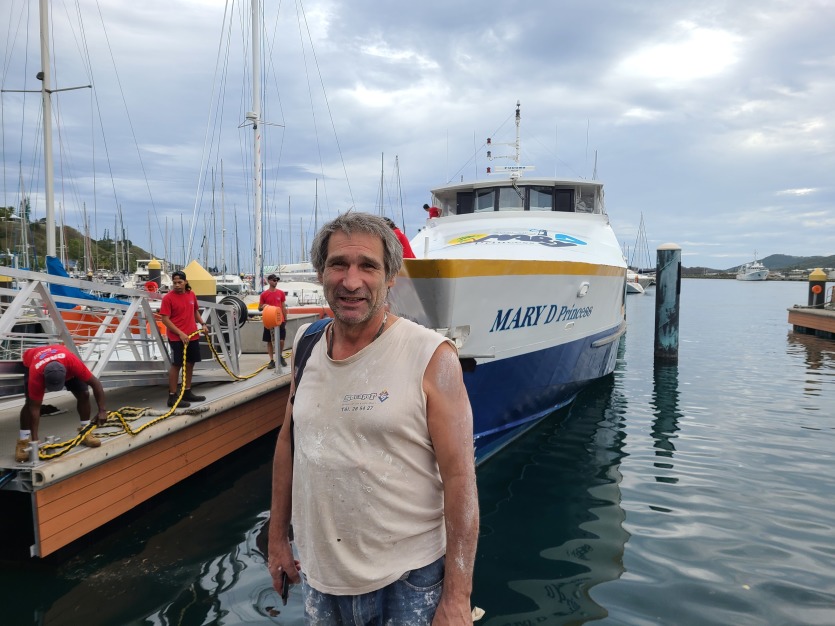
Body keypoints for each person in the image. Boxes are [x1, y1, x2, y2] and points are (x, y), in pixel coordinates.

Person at [268, 212, 478, 624]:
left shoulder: (431, 355)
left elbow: (460, 478)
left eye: (368, 266)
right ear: (321, 273)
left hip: (408, 581)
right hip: (321, 578)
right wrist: (277, 538)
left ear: (391, 276)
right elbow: (288, 442)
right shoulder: (307, 343)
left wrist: (457, 596)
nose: (351, 282)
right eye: (338, 264)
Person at [16, 344, 109, 462]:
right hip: (35, 360)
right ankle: (23, 441)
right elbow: (34, 408)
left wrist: (102, 410)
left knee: (84, 394)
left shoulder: (73, 363)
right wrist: (35, 442)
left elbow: (96, 384)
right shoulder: (36, 372)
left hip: (63, 362)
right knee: (30, 403)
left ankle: (86, 431)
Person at [160, 270, 208, 408]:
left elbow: (195, 311)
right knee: (177, 364)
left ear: (185, 282)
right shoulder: (168, 298)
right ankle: (172, 396)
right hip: (177, 338)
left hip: (192, 335)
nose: (177, 285)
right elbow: (165, 319)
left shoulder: (191, 294)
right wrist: (180, 333)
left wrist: (203, 324)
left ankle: (187, 391)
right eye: (174, 282)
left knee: (190, 363)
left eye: (179, 282)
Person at [259, 273, 289, 369]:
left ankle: (279, 356)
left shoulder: (281, 293)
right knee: (269, 341)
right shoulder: (264, 294)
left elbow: (283, 306)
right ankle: (271, 360)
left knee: (281, 340)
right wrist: (263, 306)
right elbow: (259, 308)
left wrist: (285, 318)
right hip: (269, 320)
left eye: (277, 280)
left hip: (280, 319)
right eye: (274, 280)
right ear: (269, 281)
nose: (276, 282)